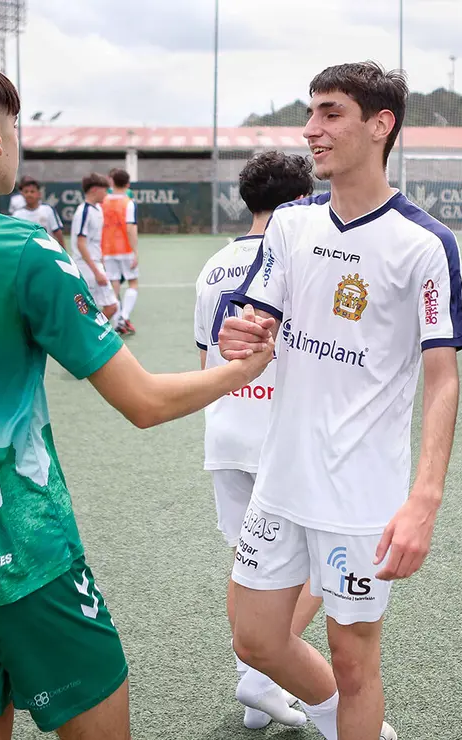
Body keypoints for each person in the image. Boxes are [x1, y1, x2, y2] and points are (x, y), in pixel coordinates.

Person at [0, 53, 274, 740]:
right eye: (14, 129)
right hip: (29, 563)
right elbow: (144, 402)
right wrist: (245, 369)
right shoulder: (21, 247)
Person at [219, 61, 462, 740]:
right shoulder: (291, 227)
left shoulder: (424, 244)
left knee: (354, 661)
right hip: (281, 477)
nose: (312, 129)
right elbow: (258, 321)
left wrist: (425, 498)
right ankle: (340, 719)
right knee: (253, 637)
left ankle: (351, 718)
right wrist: (244, 330)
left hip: (361, 494)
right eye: (312, 114)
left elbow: (443, 377)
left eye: (330, 114)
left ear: (380, 125)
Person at [193, 150, 322, 731]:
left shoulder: (212, 266)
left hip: (226, 430)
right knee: (325, 567)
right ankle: (261, 672)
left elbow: (207, 362)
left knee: (250, 563)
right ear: (299, 202)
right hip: (284, 437)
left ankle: (255, 688)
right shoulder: (301, 258)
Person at [70, 173, 120, 326]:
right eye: (104, 190)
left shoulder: (97, 209)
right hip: (86, 267)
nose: (106, 193)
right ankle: (92, 335)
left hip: (95, 264)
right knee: (110, 306)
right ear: (94, 190)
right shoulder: (84, 211)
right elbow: (81, 243)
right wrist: (96, 271)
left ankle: (90, 335)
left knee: (99, 308)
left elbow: (94, 241)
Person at [102, 168, 140, 335]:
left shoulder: (103, 201)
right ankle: (124, 316)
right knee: (133, 282)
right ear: (128, 184)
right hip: (125, 248)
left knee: (114, 284)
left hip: (107, 249)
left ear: (112, 182)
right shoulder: (128, 202)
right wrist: (135, 251)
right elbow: (130, 227)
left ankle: (118, 321)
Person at [12, 175, 65, 247]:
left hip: (47, 251)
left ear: (39, 194)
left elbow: (58, 233)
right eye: (26, 192)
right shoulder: (17, 215)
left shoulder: (48, 210)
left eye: (32, 191)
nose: (29, 194)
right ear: (22, 194)